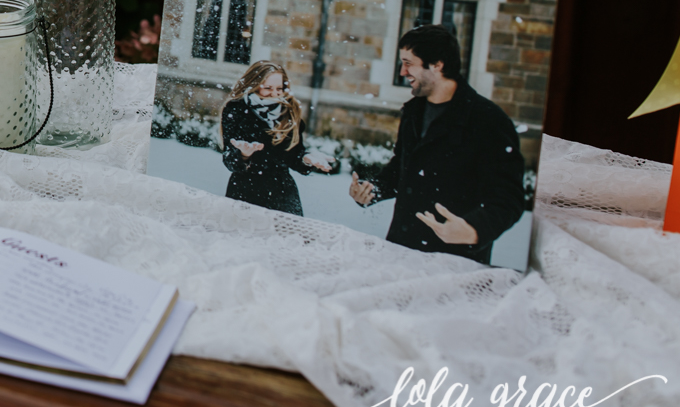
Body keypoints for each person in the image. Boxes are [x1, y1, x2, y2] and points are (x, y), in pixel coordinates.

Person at [349, 24, 526, 264]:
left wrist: (473, 229)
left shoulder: (488, 120)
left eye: (409, 63)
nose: (402, 71)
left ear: (437, 65)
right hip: (401, 250)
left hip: (455, 261)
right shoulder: (413, 112)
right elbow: (402, 167)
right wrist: (372, 191)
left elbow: (509, 198)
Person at [220, 60, 333, 216]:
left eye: (279, 88)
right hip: (244, 191)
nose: (274, 94)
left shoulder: (288, 111)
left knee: (287, 239)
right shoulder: (236, 109)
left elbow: (292, 155)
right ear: (253, 84)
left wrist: (305, 158)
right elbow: (229, 159)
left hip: (282, 193)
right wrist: (244, 154)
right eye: (268, 88)